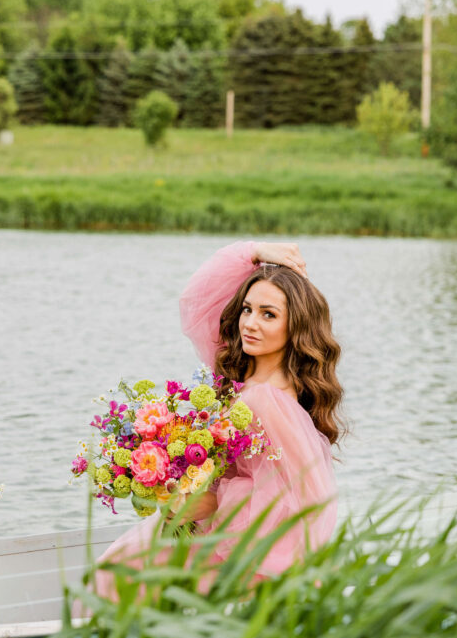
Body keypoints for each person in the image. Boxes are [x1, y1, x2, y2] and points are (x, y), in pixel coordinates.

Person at [92, 239, 343, 600]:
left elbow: (301, 497)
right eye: (247, 309)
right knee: (117, 570)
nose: (250, 324)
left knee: (115, 577)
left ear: (296, 327)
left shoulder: (266, 400)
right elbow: (194, 297)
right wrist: (257, 253)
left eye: (269, 314)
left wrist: (205, 500)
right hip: (207, 529)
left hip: (239, 552)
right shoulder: (243, 375)